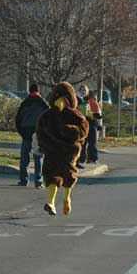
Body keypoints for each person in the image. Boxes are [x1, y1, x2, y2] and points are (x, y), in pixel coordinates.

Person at [36, 82, 90, 216]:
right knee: (55, 176)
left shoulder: (74, 114)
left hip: (66, 151)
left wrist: (67, 131)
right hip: (57, 151)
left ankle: (65, 199)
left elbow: (83, 129)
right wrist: (45, 145)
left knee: (64, 175)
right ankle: (52, 202)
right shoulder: (49, 115)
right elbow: (40, 131)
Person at [15, 83, 49, 188]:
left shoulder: (25, 103)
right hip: (38, 133)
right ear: (39, 91)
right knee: (38, 158)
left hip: (26, 132)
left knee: (24, 158)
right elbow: (49, 119)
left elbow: (17, 120)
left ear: (29, 91)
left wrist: (22, 132)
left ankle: (23, 180)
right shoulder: (43, 103)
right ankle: (38, 181)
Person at [80, 89, 101, 165]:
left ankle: (82, 159)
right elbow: (98, 115)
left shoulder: (83, 103)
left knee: (84, 143)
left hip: (84, 124)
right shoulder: (94, 104)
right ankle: (92, 158)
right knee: (92, 143)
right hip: (92, 124)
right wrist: (99, 125)